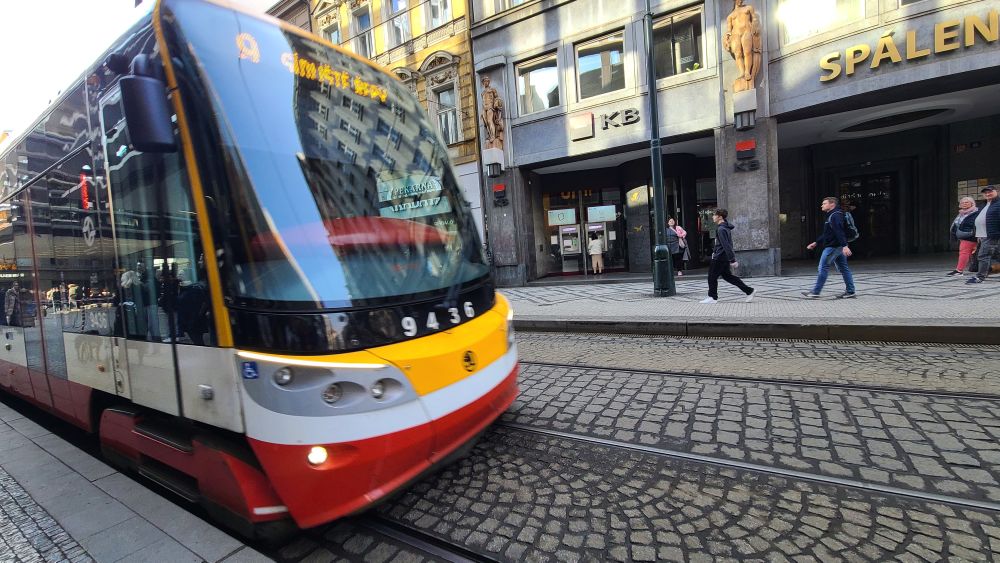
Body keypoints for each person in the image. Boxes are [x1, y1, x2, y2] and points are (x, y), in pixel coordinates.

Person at [803, 196, 856, 299]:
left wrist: (845, 246)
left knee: (823, 267)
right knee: (844, 269)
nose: (822, 205)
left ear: (832, 204)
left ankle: (816, 292)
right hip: (838, 246)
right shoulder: (833, 215)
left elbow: (839, 232)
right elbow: (828, 233)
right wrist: (816, 242)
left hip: (833, 247)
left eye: (824, 203)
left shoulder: (835, 216)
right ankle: (850, 291)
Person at [700, 209, 755, 304]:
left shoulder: (721, 229)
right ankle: (749, 290)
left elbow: (726, 245)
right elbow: (723, 244)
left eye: (714, 215)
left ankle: (712, 297)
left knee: (712, 277)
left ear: (720, 217)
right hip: (723, 256)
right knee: (728, 276)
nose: (713, 217)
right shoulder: (724, 227)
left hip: (719, 257)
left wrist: (732, 260)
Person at [965, 186, 1000, 284]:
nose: (988, 194)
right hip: (982, 235)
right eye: (985, 193)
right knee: (995, 255)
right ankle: (987, 272)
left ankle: (980, 277)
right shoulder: (985, 204)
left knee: (983, 255)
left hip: (991, 235)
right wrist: (978, 235)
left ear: (997, 192)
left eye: (990, 192)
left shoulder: (998, 204)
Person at [948, 197, 979, 276]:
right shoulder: (961, 213)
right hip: (963, 236)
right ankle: (977, 267)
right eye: (962, 202)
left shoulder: (976, 212)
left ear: (972, 203)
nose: (964, 204)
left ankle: (959, 270)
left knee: (964, 253)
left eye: (967, 202)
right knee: (973, 253)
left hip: (970, 237)